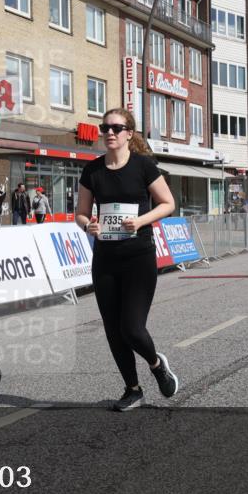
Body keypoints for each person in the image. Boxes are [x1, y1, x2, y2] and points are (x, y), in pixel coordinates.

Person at [75, 108, 179, 412]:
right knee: (112, 328)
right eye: (104, 127)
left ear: (128, 134)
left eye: (116, 128)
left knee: (131, 328)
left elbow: (168, 203)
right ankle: (132, 389)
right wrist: (87, 225)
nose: (109, 132)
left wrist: (141, 220)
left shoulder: (143, 166)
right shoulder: (92, 170)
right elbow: (79, 213)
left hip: (138, 256)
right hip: (105, 258)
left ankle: (157, 364)